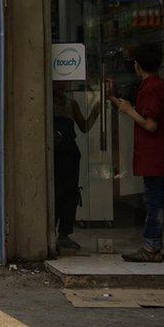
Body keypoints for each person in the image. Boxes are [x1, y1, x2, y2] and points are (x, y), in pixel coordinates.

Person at [107, 44, 164, 263]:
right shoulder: (156, 86)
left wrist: (130, 111)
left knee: (154, 201)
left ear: (137, 65)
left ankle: (151, 246)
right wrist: (112, 98)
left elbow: (150, 125)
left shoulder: (152, 88)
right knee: (162, 199)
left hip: (155, 154)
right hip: (159, 154)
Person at [51, 81, 100, 252]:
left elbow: (84, 126)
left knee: (70, 194)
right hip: (54, 155)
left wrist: (97, 109)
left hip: (70, 155)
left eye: (62, 85)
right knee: (55, 194)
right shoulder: (46, 103)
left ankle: (64, 234)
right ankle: (51, 235)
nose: (60, 89)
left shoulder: (71, 104)